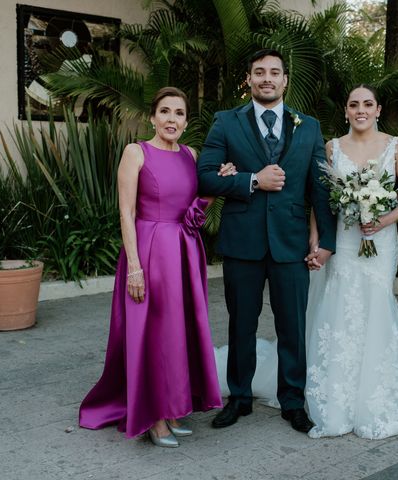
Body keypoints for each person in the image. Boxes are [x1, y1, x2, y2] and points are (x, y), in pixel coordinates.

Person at [79, 87, 229, 447]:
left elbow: (192, 214)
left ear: (185, 120)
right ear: (152, 117)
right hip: (149, 252)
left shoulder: (191, 155)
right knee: (156, 333)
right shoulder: (136, 152)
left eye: (179, 113)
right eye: (165, 112)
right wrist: (134, 266)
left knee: (179, 333)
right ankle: (154, 418)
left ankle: (174, 408)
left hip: (184, 251)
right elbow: (126, 213)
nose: (171, 119)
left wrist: (213, 189)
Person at [197, 49, 336, 433]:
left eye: (274, 72)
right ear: (249, 79)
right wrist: (252, 180)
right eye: (259, 72)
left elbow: (320, 186)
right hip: (242, 241)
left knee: (292, 326)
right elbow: (205, 176)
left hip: (290, 243)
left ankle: (293, 400)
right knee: (241, 323)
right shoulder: (226, 122)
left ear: (285, 80)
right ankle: (238, 397)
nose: (267, 79)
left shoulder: (307, 126)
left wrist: (325, 239)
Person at [303, 84, 398, 439]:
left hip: (380, 241)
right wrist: (317, 239)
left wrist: (381, 221)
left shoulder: (396, 146)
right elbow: (321, 201)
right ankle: (335, 396)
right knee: (341, 305)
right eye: (354, 104)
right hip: (343, 238)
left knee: (376, 305)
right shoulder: (332, 147)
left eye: (367, 104)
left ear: (378, 109)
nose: (360, 110)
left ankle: (377, 394)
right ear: (346, 110)